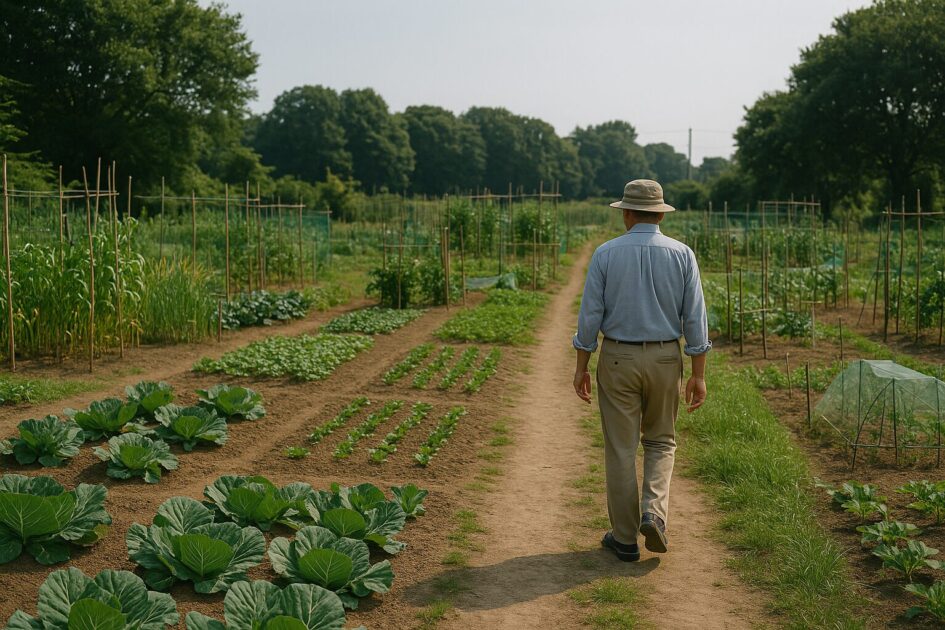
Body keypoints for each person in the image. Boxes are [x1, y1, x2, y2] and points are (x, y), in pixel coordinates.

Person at [572, 178, 711, 562]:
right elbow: (695, 318)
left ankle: (625, 539)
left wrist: (582, 364)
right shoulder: (682, 254)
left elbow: (590, 316)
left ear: (628, 213)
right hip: (667, 358)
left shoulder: (606, 254)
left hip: (617, 357)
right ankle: (654, 513)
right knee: (661, 441)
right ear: (660, 213)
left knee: (620, 449)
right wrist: (698, 374)